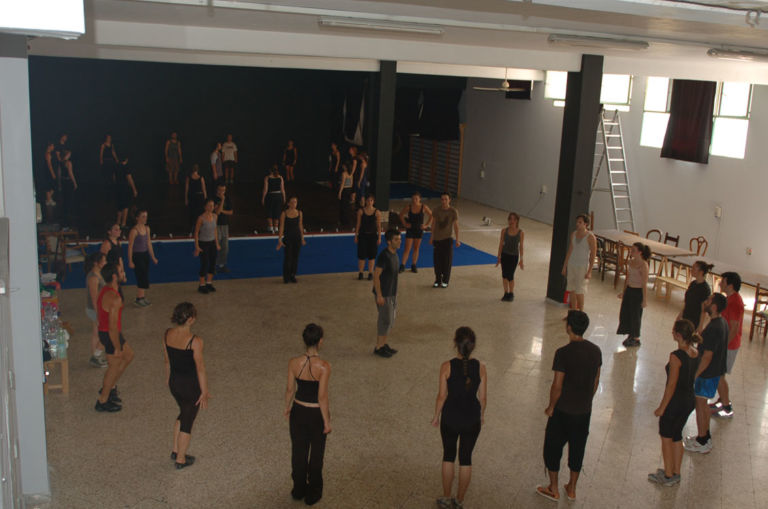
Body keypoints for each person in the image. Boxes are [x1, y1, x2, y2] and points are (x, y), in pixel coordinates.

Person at [537, 310, 601, 502]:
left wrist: (550, 407)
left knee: (553, 447)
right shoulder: (595, 350)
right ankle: (572, 488)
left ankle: (553, 488)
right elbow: (596, 380)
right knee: (578, 448)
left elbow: (557, 385)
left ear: (569, 328)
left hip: (563, 410)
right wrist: (588, 399)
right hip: (583, 411)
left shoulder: (563, 353)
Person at [431, 327, 487, 509]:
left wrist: (436, 416)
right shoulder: (481, 367)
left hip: (450, 418)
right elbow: (483, 397)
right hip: (472, 419)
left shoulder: (446, 367)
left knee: (448, 456)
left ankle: (446, 497)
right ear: (473, 346)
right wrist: (482, 415)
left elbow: (441, 396)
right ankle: (460, 500)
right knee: (466, 458)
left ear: (455, 343)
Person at [283, 323, 331, 505]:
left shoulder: (293, 363)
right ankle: (313, 491)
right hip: (315, 414)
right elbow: (322, 397)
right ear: (320, 342)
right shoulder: (324, 367)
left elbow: (290, 389)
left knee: (298, 451)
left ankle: (298, 488)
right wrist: (327, 421)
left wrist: (287, 407)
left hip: (298, 411)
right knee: (316, 454)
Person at [648, 319, 700, 486]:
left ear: (678, 335)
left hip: (675, 402)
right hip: (689, 400)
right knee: (677, 435)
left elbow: (671, 385)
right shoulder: (694, 352)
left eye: (673, 331)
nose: (671, 333)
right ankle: (676, 471)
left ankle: (668, 475)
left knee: (666, 436)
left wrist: (662, 407)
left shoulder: (676, 356)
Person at [163, 302, 210, 469]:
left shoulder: (167, 334)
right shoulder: (195, 341)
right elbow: (200, 368)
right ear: (190, 319)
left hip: (175, 383)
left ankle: (175, 450)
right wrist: (204, 391)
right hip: (190, 386)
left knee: (183, 413)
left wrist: (169, 380)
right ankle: (181, 459)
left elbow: (167, 361)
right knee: (187, 421)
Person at [684, 294, 728, 454]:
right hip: (714, 372)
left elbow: (707, 356)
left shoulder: (715, 328)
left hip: (707, 374)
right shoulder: (721, 322)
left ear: (714, 307)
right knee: (702, 405)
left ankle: (702, 440)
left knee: (701, 406)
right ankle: (705, 436)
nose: (705, 302)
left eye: (708, 300)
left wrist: (695, 374)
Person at [95, 263, 135, 412]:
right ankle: (102, 400)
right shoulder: (114, 298)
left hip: (110, 333)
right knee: (114, 365)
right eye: (121, 271)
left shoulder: (108, 289)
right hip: (110, 334)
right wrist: (117, 347)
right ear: (114, 276)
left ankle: (109, 386)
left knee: (129, 355)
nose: (124, 273)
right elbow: (112, 327)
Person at [712, 272, 744, 418]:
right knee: (720, 374)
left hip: (729, 345)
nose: (720, 283)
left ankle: (726, 407)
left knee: (719, 375)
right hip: (725, 343)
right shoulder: (729, 299)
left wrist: (723, 347)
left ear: (730, 285)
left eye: (723, 281)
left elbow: (734, 328)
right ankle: (721, 400)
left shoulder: (735, 302)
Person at [372, 228, 401, 358]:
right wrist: (379, 295)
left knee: (389, 320)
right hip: (384, 294)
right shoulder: (384, 256)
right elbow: (376, 276)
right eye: (396, 239)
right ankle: (378, 347)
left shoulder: (395, 254)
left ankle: (383, 344)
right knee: (385, 320)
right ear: (389, 242)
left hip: (391, 293)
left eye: (400, 239)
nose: (399, 241)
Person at [617, 242, 651, 348]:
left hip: (638, 293)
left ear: (640, 252)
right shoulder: (631, 262)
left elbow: (644, 284)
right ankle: (630, 335)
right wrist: (624, 291)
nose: (631, 252)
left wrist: (645, 300)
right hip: (629, 290)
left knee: (635, 316)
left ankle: (636, 338)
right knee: (625, 313)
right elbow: (628, 278)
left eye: (633, 250)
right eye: (631, 250)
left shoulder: (644, 265)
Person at [561, 215, 597, 312]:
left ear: (586, 224)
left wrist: (589, 271)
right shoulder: (573, 234)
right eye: (577, 222)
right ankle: (573, 312)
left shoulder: (590, 237)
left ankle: (581, 312)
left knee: (579, 291)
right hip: (572, 265)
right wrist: (565, 266)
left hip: (582, 267)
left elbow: (593, 255)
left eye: (580, 222)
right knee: (572, 289)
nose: (577, 224)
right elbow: (570, 251)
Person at [127, 209, 158, 307]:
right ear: (137, 218)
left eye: (146, 216)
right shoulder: (134, 231)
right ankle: (139, 298)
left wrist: (153, 257)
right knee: (141, 276)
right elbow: (130, 247)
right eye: (143, 216)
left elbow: (148, 243)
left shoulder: (147, 228)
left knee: (145, 276)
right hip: (137, 256)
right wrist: (130, 261)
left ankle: (142, 296)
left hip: (145, 255)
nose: (145, 218)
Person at [430, 192, 460, 288]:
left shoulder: (453, 211)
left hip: (447, 239)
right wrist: (432, 237)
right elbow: (433, 224)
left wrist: (458, 239)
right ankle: (437, 279)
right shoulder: (436, 210)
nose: (444, 201)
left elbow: (456, 226)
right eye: (442, 199)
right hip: (437, 239)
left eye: (446, 199)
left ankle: (445, 280)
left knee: (447, 261)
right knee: (437, 261)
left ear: (449, 200)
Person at [399, 191, 432, 273]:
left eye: (416, 198)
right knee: (407, 248)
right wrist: (404, 224)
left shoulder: (424, 207)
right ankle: (402, 265)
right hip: (410, 229)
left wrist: (426, 225)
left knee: (416, 248)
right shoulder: (408, 207)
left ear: (420, 199)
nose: (415, 200)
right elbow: (401, 215)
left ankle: (414, 265)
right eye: (413, 199)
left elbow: (432, 215)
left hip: (419, 230)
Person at [85, 252, 108, 368]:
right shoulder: (93, 277)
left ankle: (95, 357)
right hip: (95, 310)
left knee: (96, 334)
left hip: (98, 309)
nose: (106, 262)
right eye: (103, 260)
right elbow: (94, 298)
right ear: (96, 263)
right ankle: (96, 355)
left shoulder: (98, 273)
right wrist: (99, 314)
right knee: (105, 334)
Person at [495, 212, 524, 302]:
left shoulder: (521, 232)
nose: (511, 221)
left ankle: (511, 293)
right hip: (505, 255)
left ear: (517, 221)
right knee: (504, 275)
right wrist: (498, 256)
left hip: (514, 256)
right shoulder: (504, 231)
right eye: (510, 219)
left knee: (510, 275)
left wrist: (521, 260)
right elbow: (501, 244)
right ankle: (505, 293)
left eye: (513, 219)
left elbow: (521, 246)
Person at [677, 261, 713, 332]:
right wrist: (680, 315)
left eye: (694, 268)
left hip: (694, 320)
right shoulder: (693, 283)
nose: (691, 270)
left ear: (701, 272)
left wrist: (700, 325)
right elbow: (686, 302)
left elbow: (703, 310)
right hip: (686, 316)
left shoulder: (705, 289)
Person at [276, 196, 305, 284]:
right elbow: (281, 227)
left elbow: (300, 226)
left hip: (297, 237)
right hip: (288, 238)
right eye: (292, 202)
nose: (294, 204)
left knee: (295, 258)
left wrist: (302, 238)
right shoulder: (284, 213)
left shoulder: (300, 213)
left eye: (295, 202)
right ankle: (286, 277)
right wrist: (280, 239)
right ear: (288, 203)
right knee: (288, 257)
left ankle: (293, 275)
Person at [193, 199, 220, 294]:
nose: (211, 208)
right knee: (204, 264)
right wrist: (197, 246)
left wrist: (217, 243)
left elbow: (215, 230)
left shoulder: (215, 216)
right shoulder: (201, 218)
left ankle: (209, 282)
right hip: (203, 243)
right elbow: (196, 233)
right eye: (209, 206)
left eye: (212, 206)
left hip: (212, 242)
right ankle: (202, 285)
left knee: (212, 263)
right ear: (205, 207)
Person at [355, 194, 382, 281]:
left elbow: (378, 226)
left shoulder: (377, 212)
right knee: (361, 255)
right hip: (363, 235)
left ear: (373, 202)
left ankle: (370, 273)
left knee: (372, 256)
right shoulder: (360, 211)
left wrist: (379, 237)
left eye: (371, 200)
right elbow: (358, 224)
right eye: (368, 200)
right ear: (365, 201)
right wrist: (356, 236)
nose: (369, 202)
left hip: (373, 236)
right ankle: (361, 272)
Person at [214, 183, 233, 273]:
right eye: (220, 190)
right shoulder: (213, 199)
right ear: (217, 190)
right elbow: (217, 212)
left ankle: (221, 264)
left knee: (225, 246)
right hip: (215, 225)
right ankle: (212, 265)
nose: (222, 192)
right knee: (215, 245)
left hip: (225, 225)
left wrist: (222, 210)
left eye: (224, 190)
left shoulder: (228, 198)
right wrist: (222, 201)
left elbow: (231, 212)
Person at [262, 164, 286, 234]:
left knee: (269, 211)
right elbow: (282, 189)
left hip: (270, 196)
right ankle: (276, 227)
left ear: (270, 170)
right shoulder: (280, 177)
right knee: (277, 211)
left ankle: (271, 227)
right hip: (278, 196)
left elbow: (265, 189)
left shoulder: (267, 178)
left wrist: (263, 198)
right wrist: (284, 197)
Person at [115, 158, 138, 229]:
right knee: (125, 206)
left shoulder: (116, 166)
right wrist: (134, 189)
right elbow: (129, 178)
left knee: (119, 206)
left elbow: (114, 177)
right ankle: (123, 223)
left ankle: (118, 223)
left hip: (118, 188)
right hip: (124, 188)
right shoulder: (126, 167)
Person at [185, 164, 207, 232]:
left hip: (199, 197)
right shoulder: (189, 177)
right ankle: (192, 227)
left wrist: (205, 199)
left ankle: (200, 227)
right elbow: (187, 189)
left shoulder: (201, 178)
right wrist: (186, 198)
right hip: (192, 197)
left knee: (199, 212)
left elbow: (204, 189)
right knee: (192, 213)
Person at [59, 150, 77, 226]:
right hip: (68, 182)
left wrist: (59, 184)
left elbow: (59, 174)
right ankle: (68, 218)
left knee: (65, 201)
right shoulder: (68, 163)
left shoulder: (60, 163)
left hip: (63, 182)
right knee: (69, 200)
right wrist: (75, 182)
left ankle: (65, 218)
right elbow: (70, 173)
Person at [337, 164, 354, 229]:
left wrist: (340, 192)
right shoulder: (351, 174)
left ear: (346, 167)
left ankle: (343, 220)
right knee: (347, 205)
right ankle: (347, 220)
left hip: (344, 190)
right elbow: (351, 184)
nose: (343, 166)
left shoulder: (344, 173)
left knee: (343, 205)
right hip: (349, 190)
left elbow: (342, 183)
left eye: (344, 166)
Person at [41, 142, 57, 207]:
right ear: (49, 146)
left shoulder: (48, 154)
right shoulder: (48, 154)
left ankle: (49, 199)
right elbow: (49, 165)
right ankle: (48, 200)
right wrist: (53, 173)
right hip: (48, 173)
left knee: (50, 186)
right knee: (49, 186)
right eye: (52, 146)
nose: (53, 147)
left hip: (48, 172)